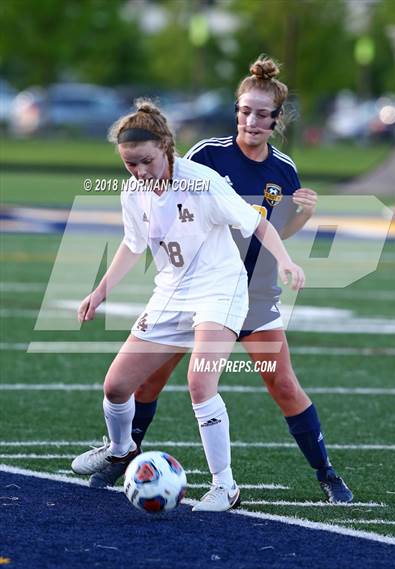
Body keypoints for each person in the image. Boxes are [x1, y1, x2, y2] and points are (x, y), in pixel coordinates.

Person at [88, 56, 353, 504]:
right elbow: (173, 219)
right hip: (196, 289)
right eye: (245, 110)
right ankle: (122, 457)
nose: (252, 120)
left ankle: (326, 473)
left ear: (276, 119)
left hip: (252, 292)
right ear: (236, 111)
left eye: (262, 113)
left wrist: (303, 217)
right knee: (149, 380)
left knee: (282, 384)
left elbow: (270, 231)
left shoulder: (284, 170)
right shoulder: (204, 157)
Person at [71, 98, 305, 512]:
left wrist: (286, 261)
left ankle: (224, 486)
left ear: (166, 146)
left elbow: (259, 223)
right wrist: (99, 290)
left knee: (200, 383)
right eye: (130, 165)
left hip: (220, 289)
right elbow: (131, 244)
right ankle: (121, 449)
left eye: (146, 161)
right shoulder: (133, 191)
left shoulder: (203, 181)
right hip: (171, 291)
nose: (140, 172)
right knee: (117, 386)